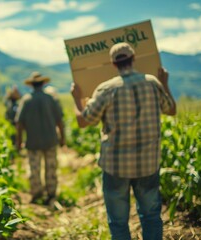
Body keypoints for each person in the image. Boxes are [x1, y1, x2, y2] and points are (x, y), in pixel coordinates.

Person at [70, 42, 176, 239]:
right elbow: (172, 110)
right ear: (134, 58)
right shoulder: (153, 83)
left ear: (113, 64)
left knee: (118, 222)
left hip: (116, 167)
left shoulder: (106, 89)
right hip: (148, 164)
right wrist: (165, 83)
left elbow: (83, 121)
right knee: (151, 216)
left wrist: (76, 99)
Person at [16, 71, 66, 205]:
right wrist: (63, 138)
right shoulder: (51, 99)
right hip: (50, 140)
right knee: (51, 168)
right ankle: (51, 194)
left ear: (31, 85)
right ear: (43, 83)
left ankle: (36, 193)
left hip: (33, 141)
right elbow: (60, 120)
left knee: (34, 169)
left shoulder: (26, 100)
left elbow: (19, 124)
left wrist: (19, 142)